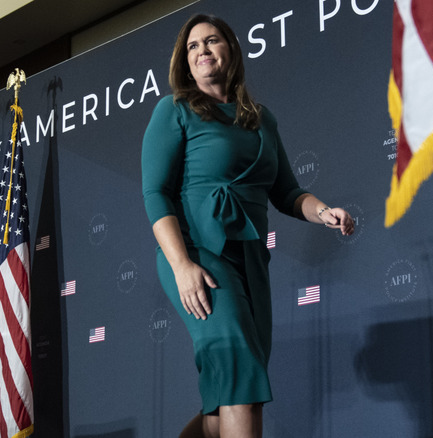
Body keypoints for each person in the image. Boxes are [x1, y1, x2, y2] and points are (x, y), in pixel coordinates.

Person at [141, 14, 354, 438]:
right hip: (197, 255)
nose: (201, 50)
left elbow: (289, 192)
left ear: (232, 51)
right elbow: (155, 193)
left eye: (212, 41)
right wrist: (182, 266)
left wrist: (323, 212)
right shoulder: (174, 110)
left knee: (227, 395)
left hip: (251, 261)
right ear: (185, 61)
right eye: (192, 46)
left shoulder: (261, 119)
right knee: (240, 375)